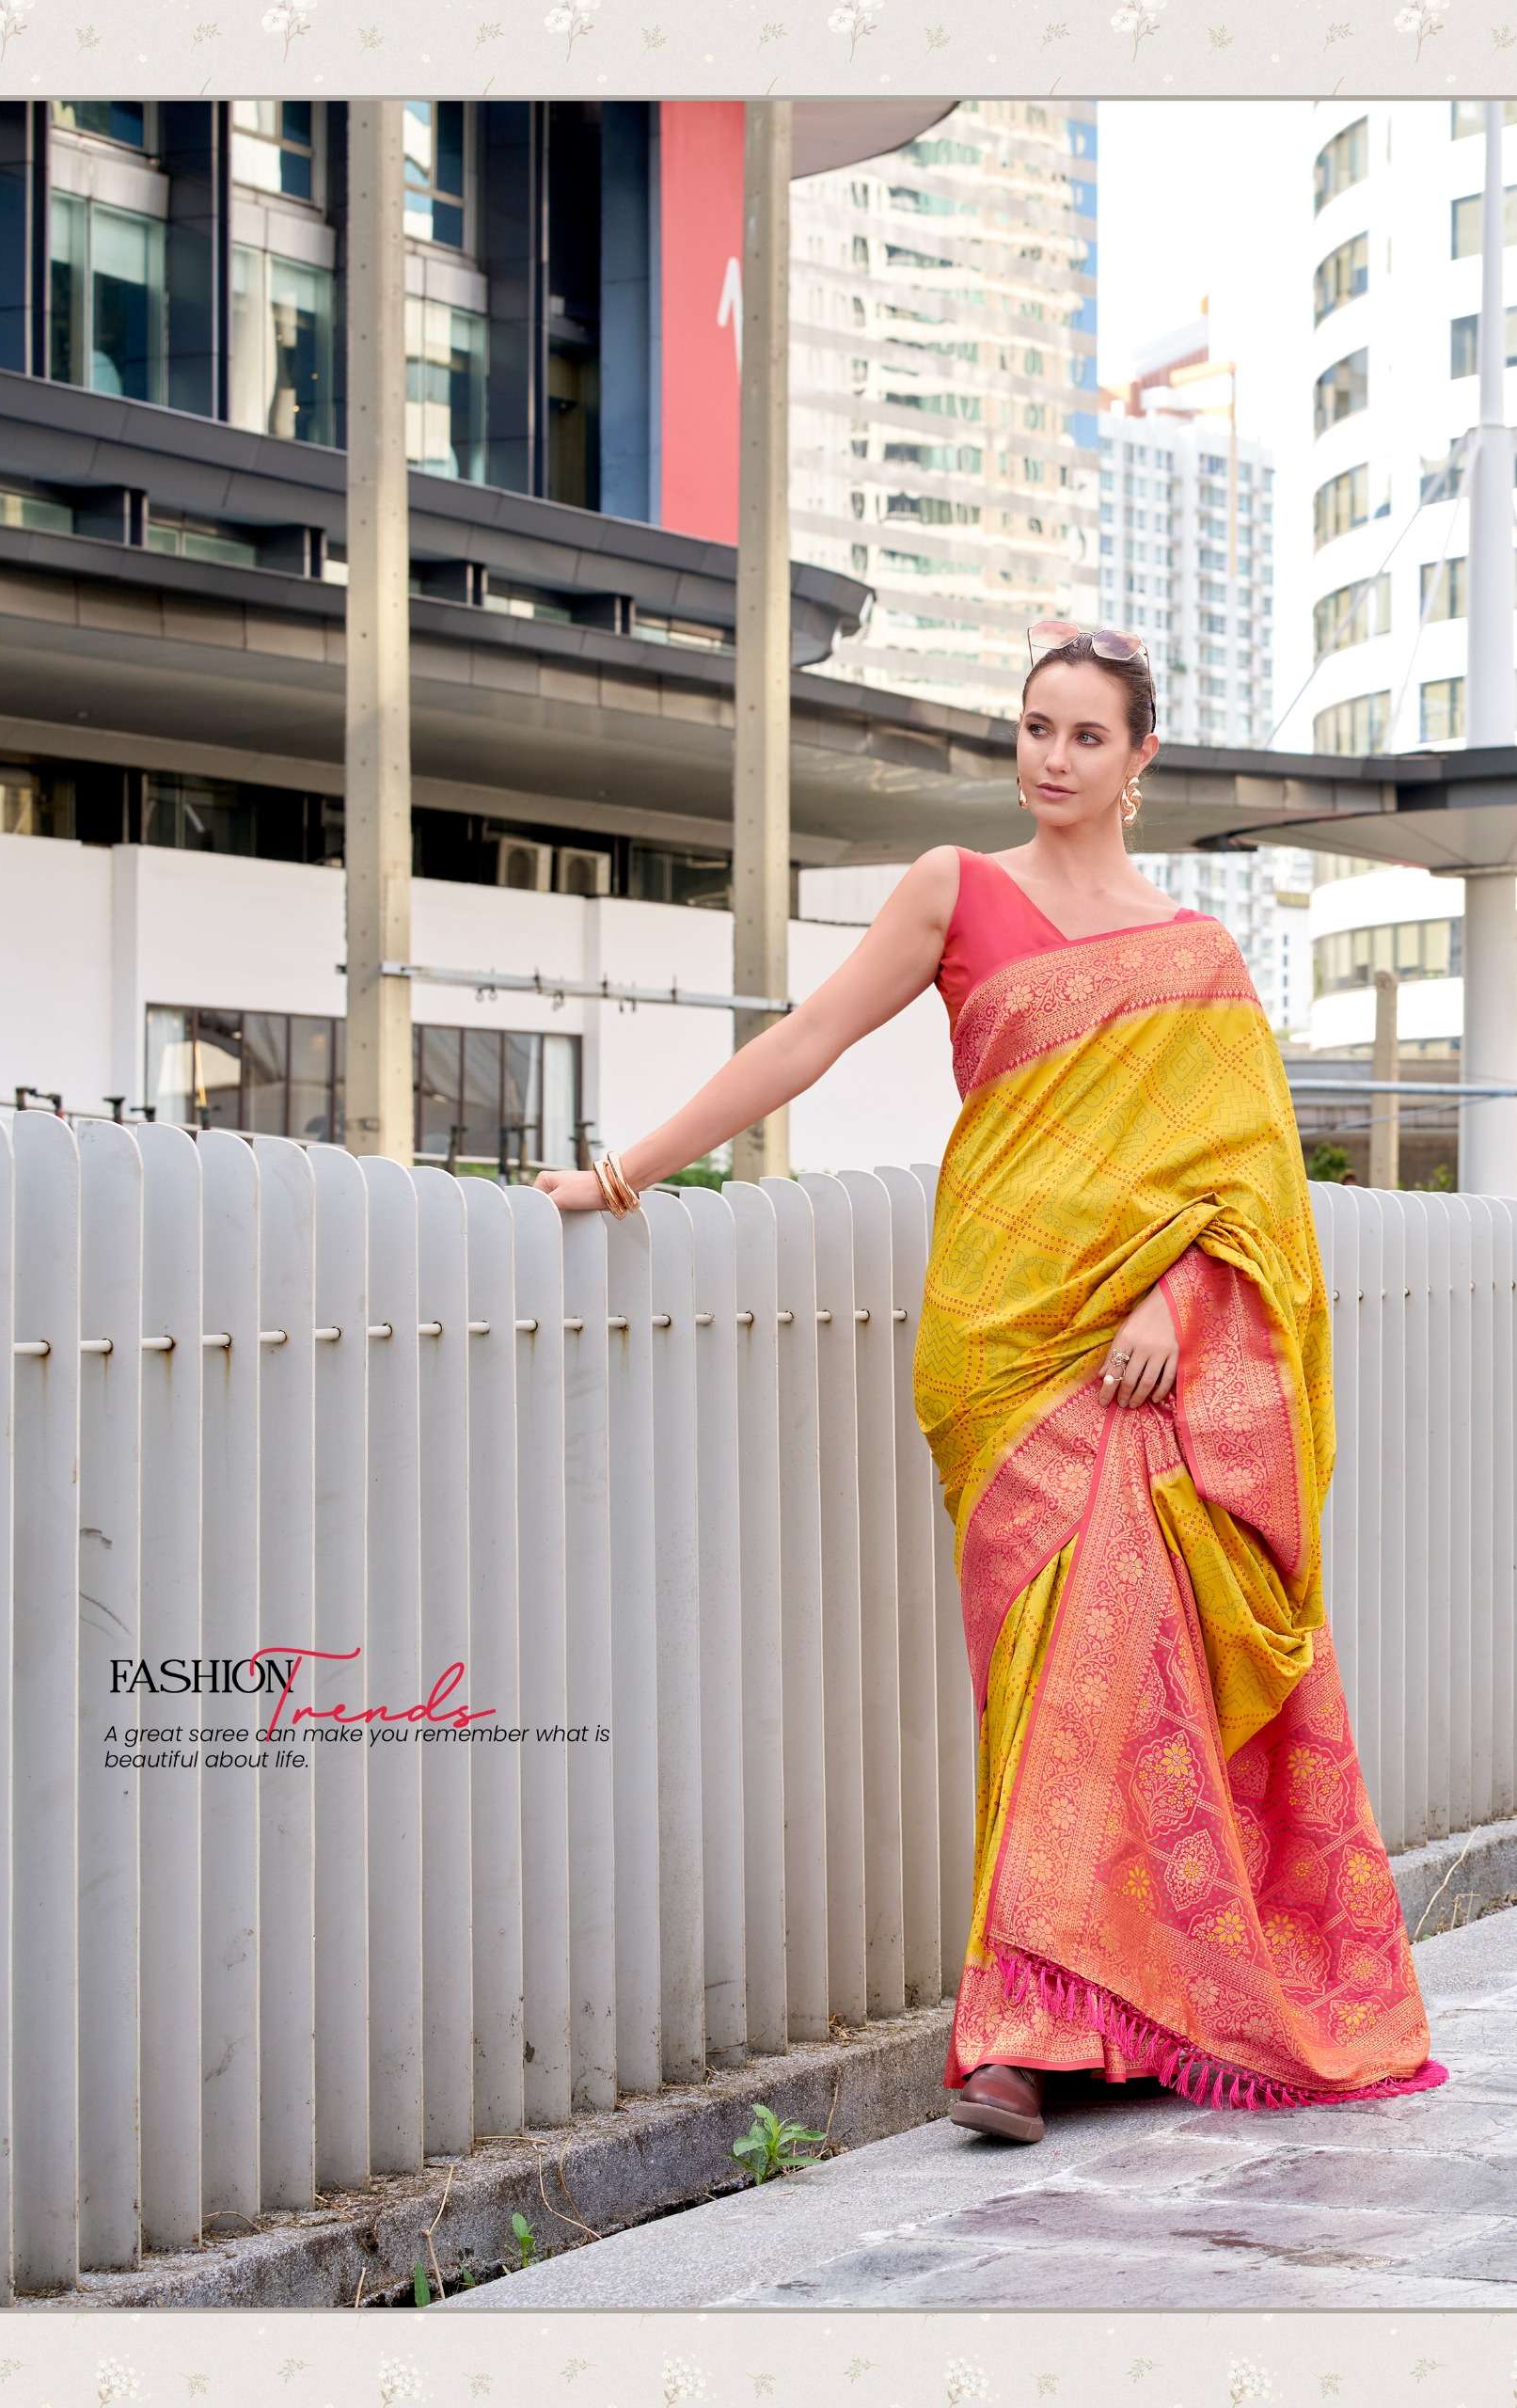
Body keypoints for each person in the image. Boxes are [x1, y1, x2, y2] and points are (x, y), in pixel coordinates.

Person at [536, 620, 1446, 2147]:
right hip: (1003, 1345)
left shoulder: (1199, 961)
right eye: (1035, 727)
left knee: (1131, 1666)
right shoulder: (953, 888)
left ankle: (1032, 2038)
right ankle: (1063, 2020)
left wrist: (1174, 1298)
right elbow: (806, 1042)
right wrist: (622, 1176)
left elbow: (1250, 1198)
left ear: (1139, 759)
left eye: (1087, 735)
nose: (1053, 757)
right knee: (1041, 1675)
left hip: (1146, 1359)